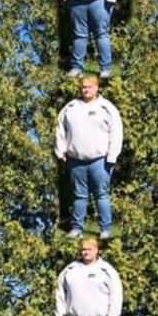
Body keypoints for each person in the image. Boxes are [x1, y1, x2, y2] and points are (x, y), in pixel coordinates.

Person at [55, 75, 123, 239]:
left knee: (101, 195)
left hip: (100, 161)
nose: (86, 90)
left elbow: (116, 132)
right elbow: (60, 130)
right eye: (83, 87)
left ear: (97, 88)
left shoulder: (106, 108)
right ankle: (77, 228)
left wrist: (112, 156)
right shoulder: (70, 108)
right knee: (79, 196)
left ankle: (105, 229)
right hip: (75, 161)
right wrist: (60, 151)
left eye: (89, 87)